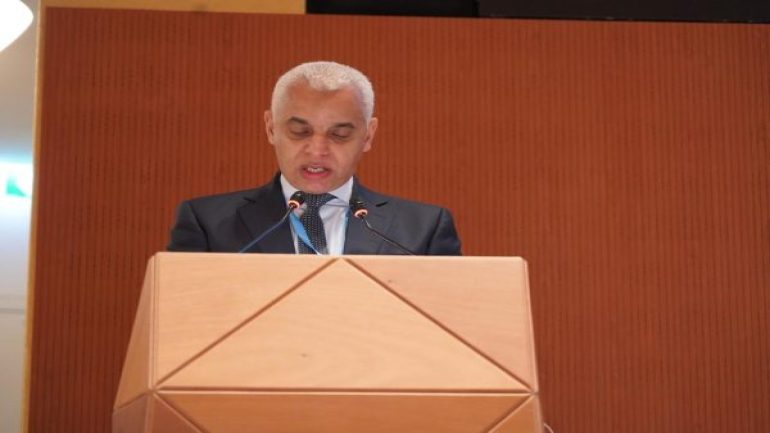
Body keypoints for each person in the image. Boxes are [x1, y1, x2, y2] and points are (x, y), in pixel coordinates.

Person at [167, 61, 461, 255]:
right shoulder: (208, 225)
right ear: (271, 128)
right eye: (300, 132)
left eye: (339, 135)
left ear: (368, 135)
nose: (317, 150)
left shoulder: (422, 231)